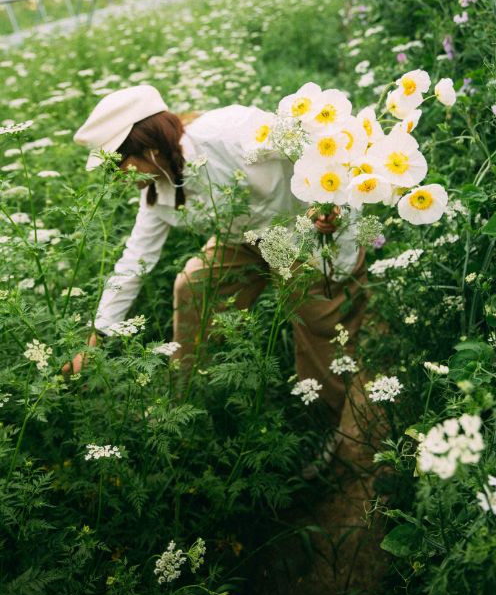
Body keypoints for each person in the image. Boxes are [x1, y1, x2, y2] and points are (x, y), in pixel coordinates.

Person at [62, 85, 367, 475]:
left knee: (320, 323)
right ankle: (189, 401)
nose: (120, 174)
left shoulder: (231, 132)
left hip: (307, 231)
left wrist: (331, 204)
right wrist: (97, 336)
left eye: (120, 162)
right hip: (246, 239)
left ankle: (319, 429)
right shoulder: (159, 188)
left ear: (147, 146)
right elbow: (134, 261)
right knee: (193, 286)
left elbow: (318, 145)